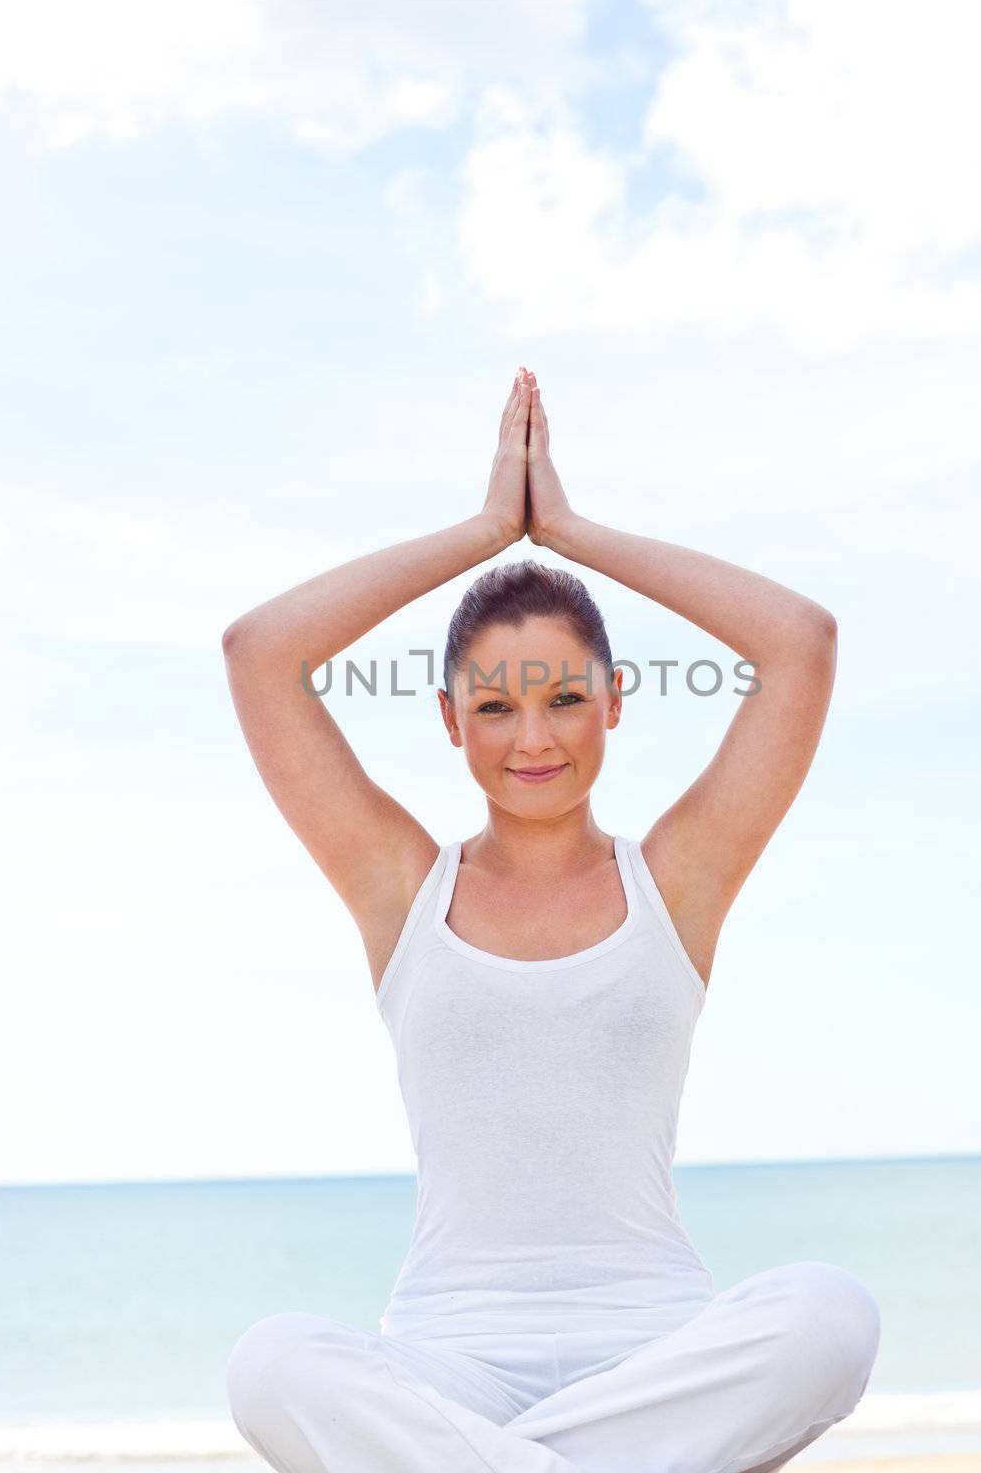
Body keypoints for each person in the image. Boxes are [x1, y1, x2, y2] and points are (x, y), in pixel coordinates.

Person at [220, 367, 880, 1473]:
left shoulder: (675, 881)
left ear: (615, 701)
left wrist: (566, 532)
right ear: (448, 721)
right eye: (494, 704)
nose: (533, 736)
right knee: (270, 1363)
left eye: (565, 696)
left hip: (656, 1351)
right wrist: (486, 530)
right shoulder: (401, 889)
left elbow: (797, 643)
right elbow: (259, 655)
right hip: (447, 1362)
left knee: (831, 1315)